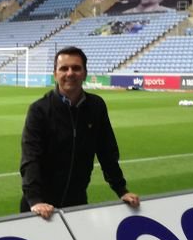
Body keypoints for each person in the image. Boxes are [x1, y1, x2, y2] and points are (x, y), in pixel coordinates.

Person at [20, 46, 140, 219]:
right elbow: (30, 158)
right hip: (40, 208)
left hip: (77, 204)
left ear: (84, 73)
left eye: (76, 68)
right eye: (64, 68)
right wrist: (35, 200)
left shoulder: (96, 106)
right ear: (55, 74)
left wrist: (121, 190)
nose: (70, 73)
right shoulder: (39, 110)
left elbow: (107, 151)